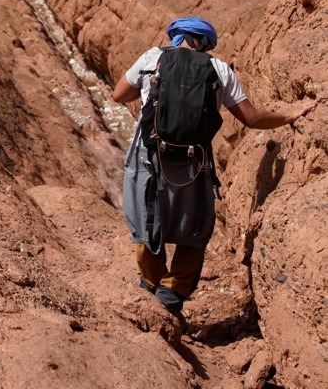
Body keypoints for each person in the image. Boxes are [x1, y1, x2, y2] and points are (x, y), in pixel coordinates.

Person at [112, 16, 317, 316]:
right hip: (193, 165)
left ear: (178, 37)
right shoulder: (219, 70)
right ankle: (172, 293)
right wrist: (290, 114)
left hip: (149, 158)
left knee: (145, 224)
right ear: (203, 43)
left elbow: (118, 94)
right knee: (196, 229)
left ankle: (152, 283)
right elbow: (252, 118)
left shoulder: (151, 58)